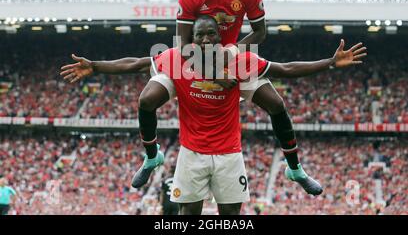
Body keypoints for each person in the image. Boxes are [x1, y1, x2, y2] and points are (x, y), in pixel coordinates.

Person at [60, 15, 367, 214]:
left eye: (211, 34)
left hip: (229, 154)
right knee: (187, 216)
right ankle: (151, 156)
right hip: (191, 153)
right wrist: (96, 66)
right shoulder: (177, 61)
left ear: (221, 38)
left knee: (230, 217)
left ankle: (295, 167)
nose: (206, 40)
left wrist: (329, 61)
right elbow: (137, 63)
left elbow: (286, 69)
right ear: (191, 41)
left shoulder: (238, 62)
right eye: (200, 36)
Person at [133, 0, 326, 196]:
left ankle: (295, 169)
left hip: (230, 58)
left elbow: (260, 33)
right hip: (193, 58)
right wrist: (213, 72)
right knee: (147, 100)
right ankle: (151, 156)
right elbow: (182, 44)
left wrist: (232, 52)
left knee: (277, 104)